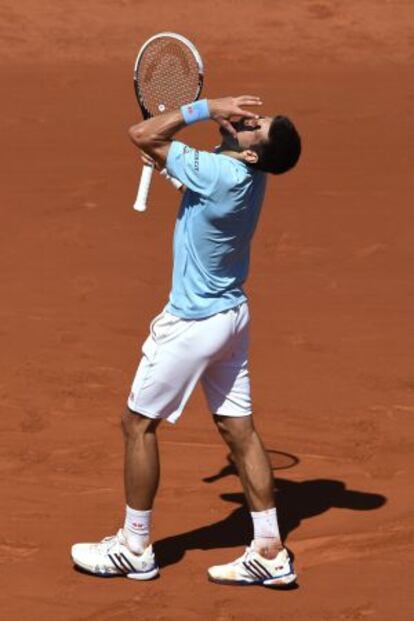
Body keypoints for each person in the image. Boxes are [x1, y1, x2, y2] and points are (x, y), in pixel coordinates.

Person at [71, 96, 301, 587]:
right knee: (239, 433)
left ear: (253, 154)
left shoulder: (221, 174)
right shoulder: (244, 175)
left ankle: (134, 547)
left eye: (255, 127)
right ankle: (269, 550)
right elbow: (190, 167)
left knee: (137, 424)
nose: (246, 120)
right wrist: (169, 160)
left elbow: (141, 134)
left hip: (192, 325)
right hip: (231, 319)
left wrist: (205, 107)